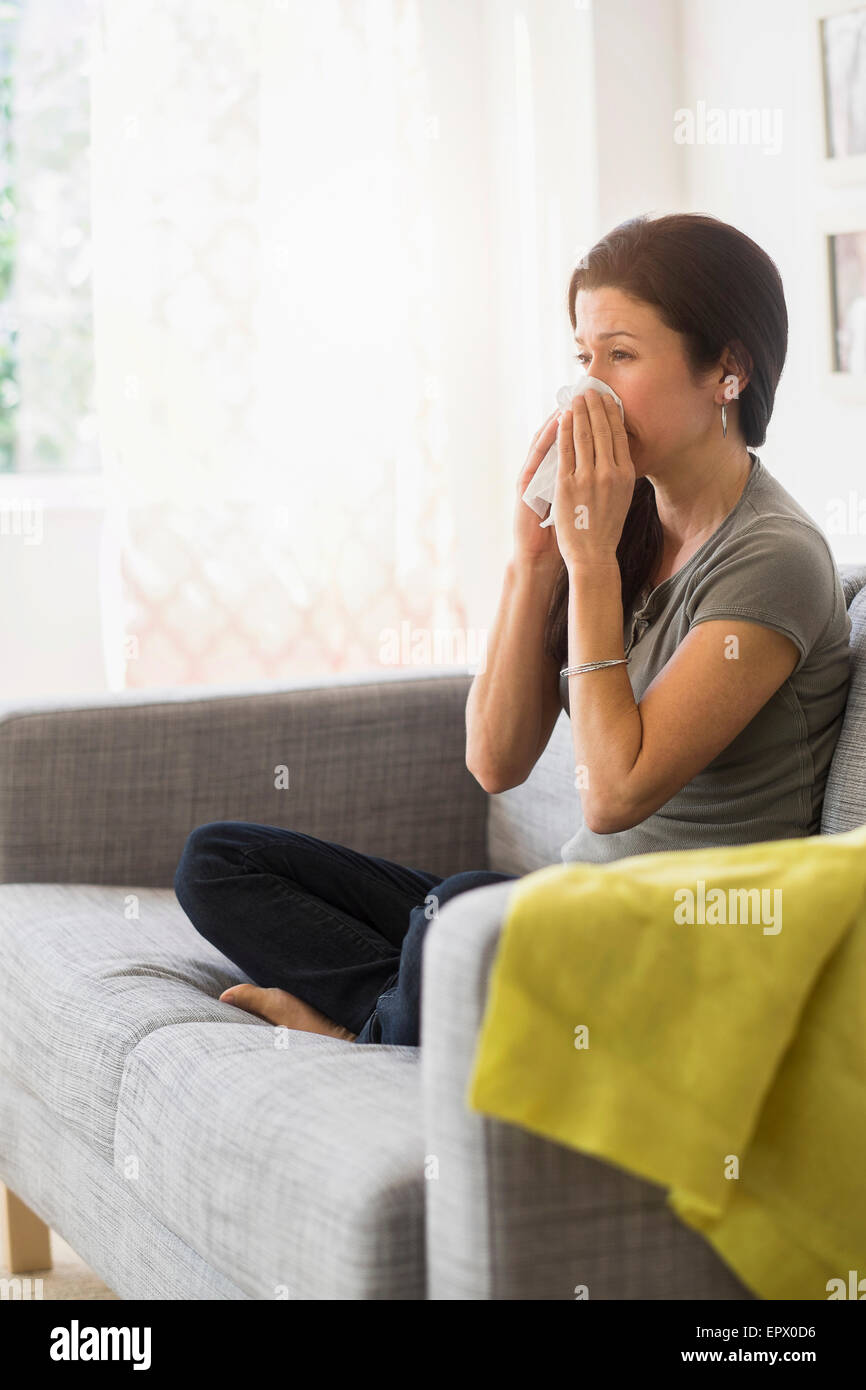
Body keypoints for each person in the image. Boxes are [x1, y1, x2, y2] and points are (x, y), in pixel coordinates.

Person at [174, 211, 851, 1046]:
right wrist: (534, 562)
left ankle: (378, 1027)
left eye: (622, 356)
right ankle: (416, 1005)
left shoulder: (774, 559)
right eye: (583, 358)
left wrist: (591, 562)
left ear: (727, 372)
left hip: (684, 950)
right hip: (575, 910)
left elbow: (611, 795)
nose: (588, 392)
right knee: (219, 861)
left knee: (458, 915)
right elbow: (495, 762)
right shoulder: (624, 522)